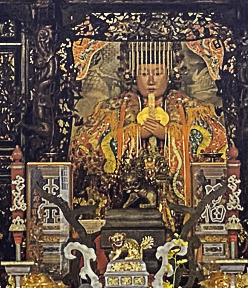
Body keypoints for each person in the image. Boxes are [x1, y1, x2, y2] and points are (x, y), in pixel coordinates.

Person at [70, 43, 227, 205]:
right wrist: (133, 135)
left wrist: (169, 135)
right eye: (144, 73)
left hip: (172, 193)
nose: (151, 81)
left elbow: (215, 142)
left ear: (169, 75)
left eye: (158, 73)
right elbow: (86, 145)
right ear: (134, 76)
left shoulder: (190, 108)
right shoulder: (112, 109)